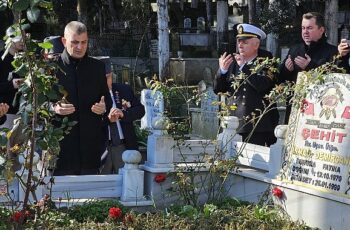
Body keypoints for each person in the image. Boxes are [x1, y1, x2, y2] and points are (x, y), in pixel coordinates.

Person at [52, 21, 112, 175]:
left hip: (90, 149)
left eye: (84, 42)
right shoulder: (51, 68)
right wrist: (53, 108)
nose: (80, 47)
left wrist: (103, 108)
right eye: (75, 42)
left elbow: (107, 101)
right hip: (60, 150)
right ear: (64, 41)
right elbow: (36, 104)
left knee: (92, 197)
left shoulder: (97, 67)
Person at [214, 23, 279, 147]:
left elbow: (263, 85)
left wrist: (244, 67)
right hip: (235, 122)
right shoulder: (232, 60)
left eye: (245, 41)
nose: (240, 45)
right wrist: (222, 71)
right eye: (239, 41)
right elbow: (218, 90)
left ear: (256, 44)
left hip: (259, 125)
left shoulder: (267, 61)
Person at [279, 12, 338, 123]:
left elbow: (335, 83)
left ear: (321, 30)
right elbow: (281, 79)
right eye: (303, 28)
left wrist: (310, 67)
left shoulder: (332, 52)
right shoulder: (295, 49)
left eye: (310, 28)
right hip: (295, 107)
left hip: (319, 109)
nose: (305, 32)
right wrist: (287, 69)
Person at [100, 82, 145, 174]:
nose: (105, 79)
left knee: (127, 180)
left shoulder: (124, 89)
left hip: (123, 146)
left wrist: (124, 114)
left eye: (108, 76)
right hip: (102, 147)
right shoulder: (91, 92)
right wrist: (107, 120)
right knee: (102, 183)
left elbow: (140, 110)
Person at [0, 27, 24, 127]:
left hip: (24, 114)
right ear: (10, 39)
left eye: (24, 37)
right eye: (19, 37)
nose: (23, 41)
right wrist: (13, 84)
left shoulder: (26, 60)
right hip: (5, 114)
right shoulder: (1, 59)